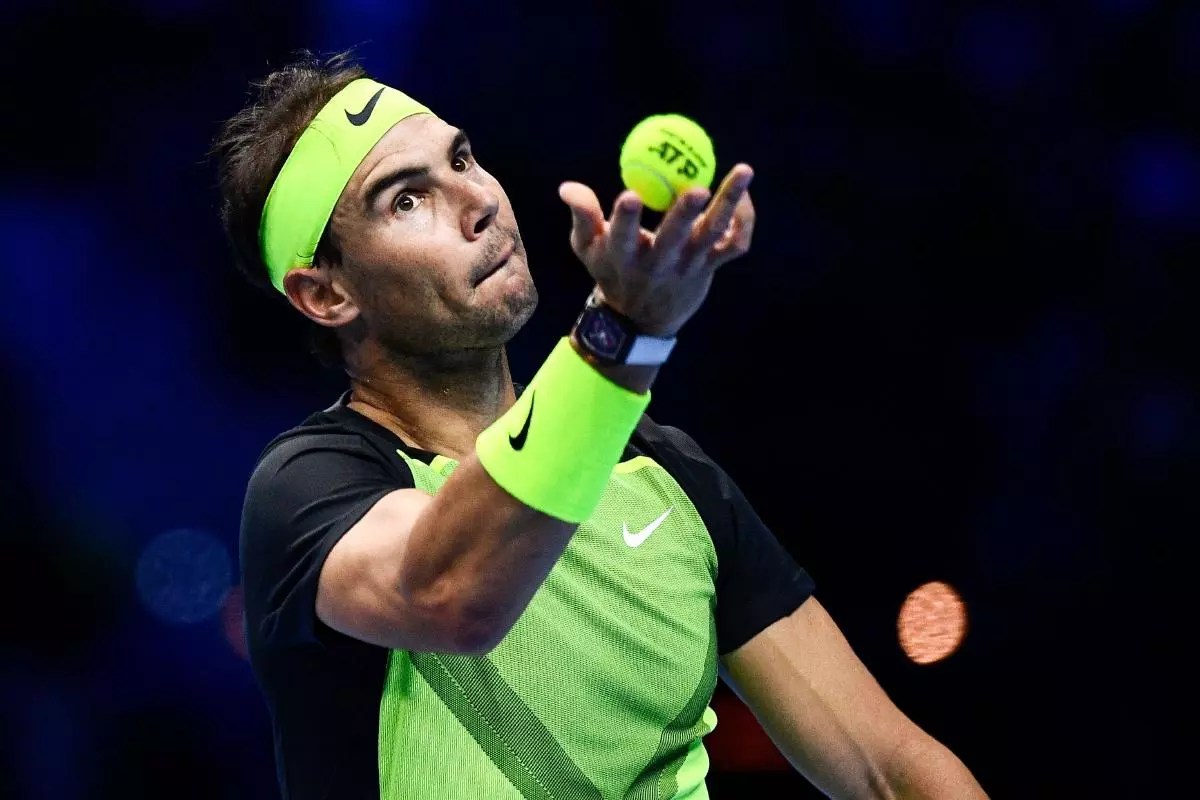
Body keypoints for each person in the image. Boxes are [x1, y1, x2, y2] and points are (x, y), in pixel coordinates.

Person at [215, 51, 988, 800]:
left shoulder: (666, 476)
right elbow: (452, 592)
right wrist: (622, 332)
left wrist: (624, 337)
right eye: (406, 201)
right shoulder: (308, 491)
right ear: (326, 295)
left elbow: (888, 771)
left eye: (462, 159)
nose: (478, 202)